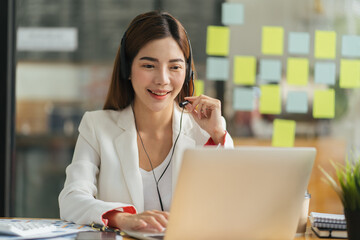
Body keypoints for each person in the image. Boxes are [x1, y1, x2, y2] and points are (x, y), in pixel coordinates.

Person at [59, 10, 234, 233]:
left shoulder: (205, 133)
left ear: (188, 72)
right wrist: (122, 219)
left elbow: (228, 206)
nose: (162, 79)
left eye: (175, 67)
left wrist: (218, 136)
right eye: (149, 65)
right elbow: (71, 199)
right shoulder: (97, 127)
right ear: (127, 69)